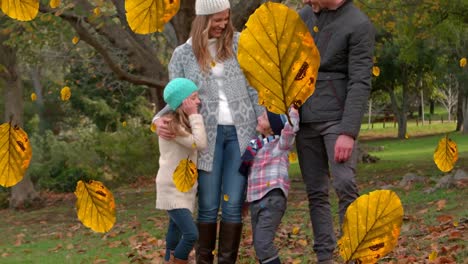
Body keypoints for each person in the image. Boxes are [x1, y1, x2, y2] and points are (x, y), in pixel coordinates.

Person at [152, 0, 264, 263]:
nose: (222, 25)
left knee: (234, 203)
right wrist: (158, 119)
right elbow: (175, 96)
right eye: (217, 20)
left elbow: (254, 86)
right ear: (202, 19)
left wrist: (261, 116)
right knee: (209, 205)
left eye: (226, 19)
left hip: (242, 134)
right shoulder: (182, 54)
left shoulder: (240, 44)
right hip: (206, 138)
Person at [297, 1, 375, 263]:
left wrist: (348, 132)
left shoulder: (358, 23)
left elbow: (360, 81)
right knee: (316, 191)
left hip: (337, 121)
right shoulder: (302, 17)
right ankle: (324, 256)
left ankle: (353, 254)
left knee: (344, 184)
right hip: (304, 118)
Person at [155, 78, 207, 264]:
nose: (198, 102)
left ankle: (168, 259)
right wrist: (194, 115)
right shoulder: (172, 125)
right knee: (191, 234)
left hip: (182, 187)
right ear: (182, 102)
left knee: (174, 231)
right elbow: (199, 143)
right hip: (172, 188)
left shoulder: (178, 124)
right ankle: (179, 260)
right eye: (194, 98)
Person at [239, 106, 299, 264]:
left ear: (273, 127)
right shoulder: (255, 146)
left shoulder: (280, 144)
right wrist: (245, 201)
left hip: (272, 198)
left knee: (263, 244)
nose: (259, 118)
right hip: (255, 201)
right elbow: (249, 174)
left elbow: (290, 127)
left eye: (264, 117)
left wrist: (291, 107)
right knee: (260, 247)